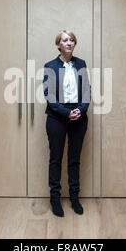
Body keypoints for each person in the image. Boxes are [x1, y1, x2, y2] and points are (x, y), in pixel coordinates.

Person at [42, 30, 91, 217]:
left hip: (79, 117)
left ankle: (74, 197)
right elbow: (49, 97)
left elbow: (87, 90)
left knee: (74, 159)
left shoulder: (81, 64)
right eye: (65, 40)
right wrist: (67, 112)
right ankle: (55, 199)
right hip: (57, 118)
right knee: (55, 159)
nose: (69, 43)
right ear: (58, 45)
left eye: (72, 40)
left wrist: (81, 109)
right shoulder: (50, 66)